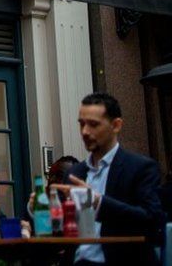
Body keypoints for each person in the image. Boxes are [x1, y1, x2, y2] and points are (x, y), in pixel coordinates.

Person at [52, 92, 165, 266]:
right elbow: (63, 231)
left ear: (116, 125)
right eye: (81, 124)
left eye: (93, 124)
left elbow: (153, 223)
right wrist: (42, 209)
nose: (85, 132)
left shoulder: (140, 168)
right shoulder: (74, 173)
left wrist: (98, 202)